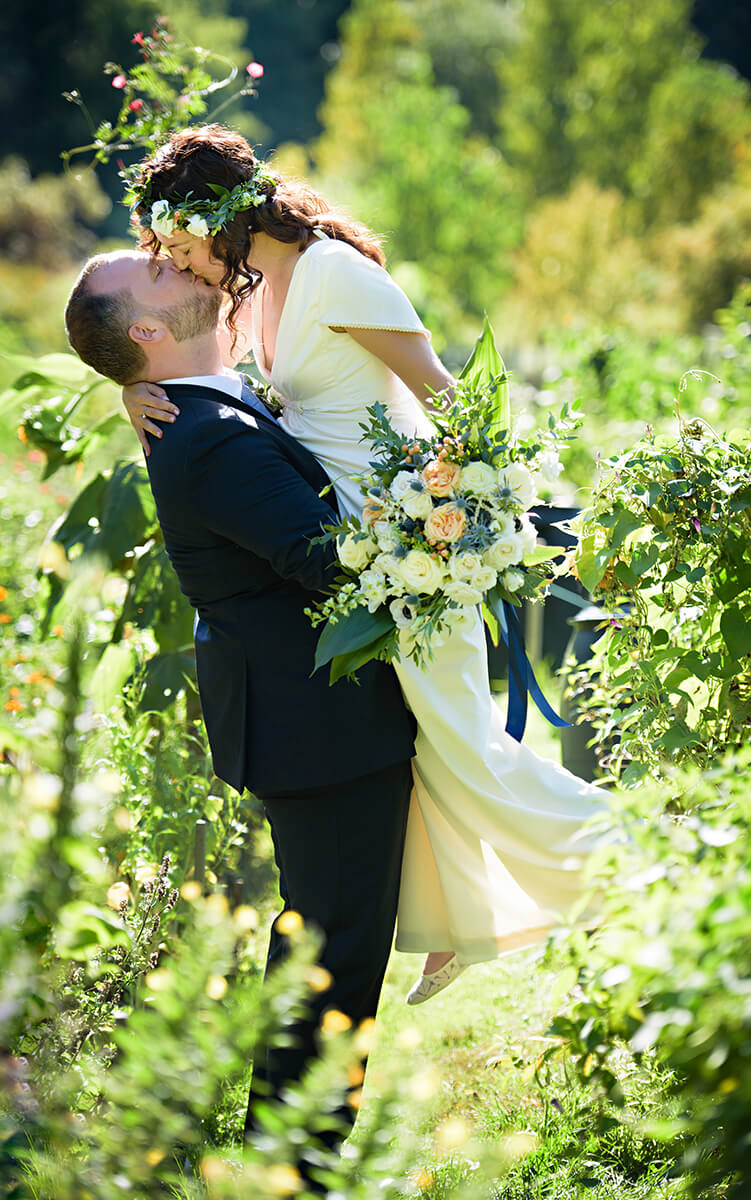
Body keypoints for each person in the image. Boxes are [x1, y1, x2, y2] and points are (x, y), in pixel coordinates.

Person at [122, 125, 612, 1005]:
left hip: (411, 555)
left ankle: (643, 861)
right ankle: (459, 925)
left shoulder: (334, 273)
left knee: (466, 748)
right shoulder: (254, 289)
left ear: (219, 218)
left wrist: (456, 528)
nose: (178, 263)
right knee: (431, 749)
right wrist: (130, 384)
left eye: (179, 244)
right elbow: (197, 371)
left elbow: (453, 401)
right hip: (358, 565)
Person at [63, 249, 418, 1161]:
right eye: (157, 273)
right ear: (147, 331)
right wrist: (447, 527)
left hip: (315, 717)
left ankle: (287, 1158)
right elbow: (322, 558)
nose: (180, 264)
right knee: (332, 952)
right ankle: (294, 1168)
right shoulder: (204, 433)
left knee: (327, 940)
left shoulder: (205, 404)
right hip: (319, 725)